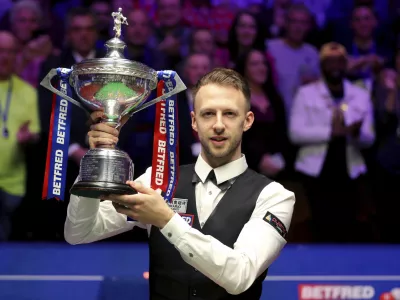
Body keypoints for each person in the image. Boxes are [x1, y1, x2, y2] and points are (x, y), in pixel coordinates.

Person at [64, 68, 295, 299]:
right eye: (208, 114)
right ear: (194, 121)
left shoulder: (275, 196)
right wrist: (94, 162)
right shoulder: (158, 180)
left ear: (247, 121)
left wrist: (167, 220)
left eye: (229, 114)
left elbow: (240, 275)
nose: (218, 124)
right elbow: (79, 232)